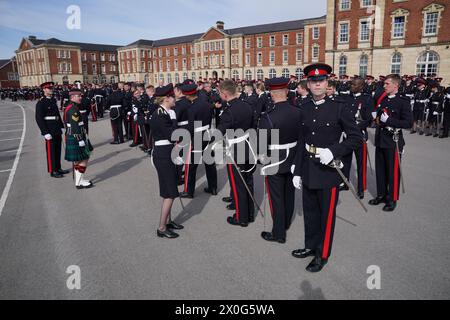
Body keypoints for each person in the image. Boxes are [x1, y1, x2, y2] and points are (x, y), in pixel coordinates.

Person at [291, 63, 363, 273]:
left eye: (321, 80)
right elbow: (301, 138)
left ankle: (322, 254)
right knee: (310, 212)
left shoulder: (340, 107)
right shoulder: (302, 107)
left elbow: (356, 138)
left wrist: (334, 150)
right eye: (313, 81)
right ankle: (310, 246)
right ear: (308, 83)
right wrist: (296, 169)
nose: (317, 84)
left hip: (328, 169)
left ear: (327, 82)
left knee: (326, 215)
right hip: (308, 166)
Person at [258, 77, 301, 243]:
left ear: (271, 94)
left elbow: (262, 142)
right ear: (286, 92)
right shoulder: (298, 111)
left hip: (275, 158)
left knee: (276, 197)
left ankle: (278, 233)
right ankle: (286, 223)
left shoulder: (268, 116)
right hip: (293, 156)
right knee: (289, 193)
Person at [369, 74, 413, 212]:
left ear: (396, 85)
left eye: (387, 84)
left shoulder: (403, 102)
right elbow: (379, 118)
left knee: (393, 172)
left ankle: (392, 198)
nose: (384, 86)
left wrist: (389, 121)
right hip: (381, 139)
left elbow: (408, 123)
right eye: (384, 83)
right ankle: (381, 194)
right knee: (380, 170)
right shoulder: (384, 99)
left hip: (393, 141)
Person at [216, 80, 256, 227]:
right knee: (248, 181)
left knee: (238, 183)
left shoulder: (229, 111)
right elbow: (253, 126)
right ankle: (250, 213)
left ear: (225, 94)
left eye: (220, 93)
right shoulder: (246, 105)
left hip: (235, 149)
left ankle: (241, 217)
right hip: (249, 146)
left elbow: (220, 132)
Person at [149, 84, 184, 239]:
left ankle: (168, 221)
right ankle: (162, 227)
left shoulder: (165, 113)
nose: (175, 98)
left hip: (168, 152)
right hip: (163, 155)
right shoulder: (161, 115)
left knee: (170, 189)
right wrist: (176, 120)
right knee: (169, 192)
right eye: (173, 96)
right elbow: (173, 135)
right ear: (167, 98)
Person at [179, 82, 217, 198]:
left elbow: (191, 127)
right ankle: (213, 187)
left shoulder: (192, 108)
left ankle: (189, 191)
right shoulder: (207, 104)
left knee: (191, 166)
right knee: (210, 163)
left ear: (188, 95)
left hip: (196, 136)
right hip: (207, 133)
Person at [341, 77, 374, 198]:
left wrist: (356, 127)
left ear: (361, 86)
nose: (351, 86)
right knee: (345, 161)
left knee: (361, 163)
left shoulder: (367, 99)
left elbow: (368, 119)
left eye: (354, 84)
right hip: (347, 135)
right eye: (351, 84)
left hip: (359, 135)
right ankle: (345, 183)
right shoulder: (347, 98)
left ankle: (361, 188)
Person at [35, 82, 69, 178]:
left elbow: (57, 114)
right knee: (51, 151)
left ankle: (58, 168)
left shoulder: (53, 100)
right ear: (44, 90)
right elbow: (39, 118)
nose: (51, 89)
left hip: (56, 127)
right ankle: (52, 170)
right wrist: (45, 132)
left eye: (51, 88)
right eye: (49, 88)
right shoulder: (41, 102)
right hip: (49, 129)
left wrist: (61, 125)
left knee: (58, 149)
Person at [64, 89, 94, 189]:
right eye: (78, 96)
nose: (81, 97)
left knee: (79, 160)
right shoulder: (73, 109)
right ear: (73, 97)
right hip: (76, 136)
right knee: (84, 158)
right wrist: (80, 139)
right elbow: (75, 125)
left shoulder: (71, 106)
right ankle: (79, 182)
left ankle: (79, 180)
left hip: (73, 135)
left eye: (80, 96)